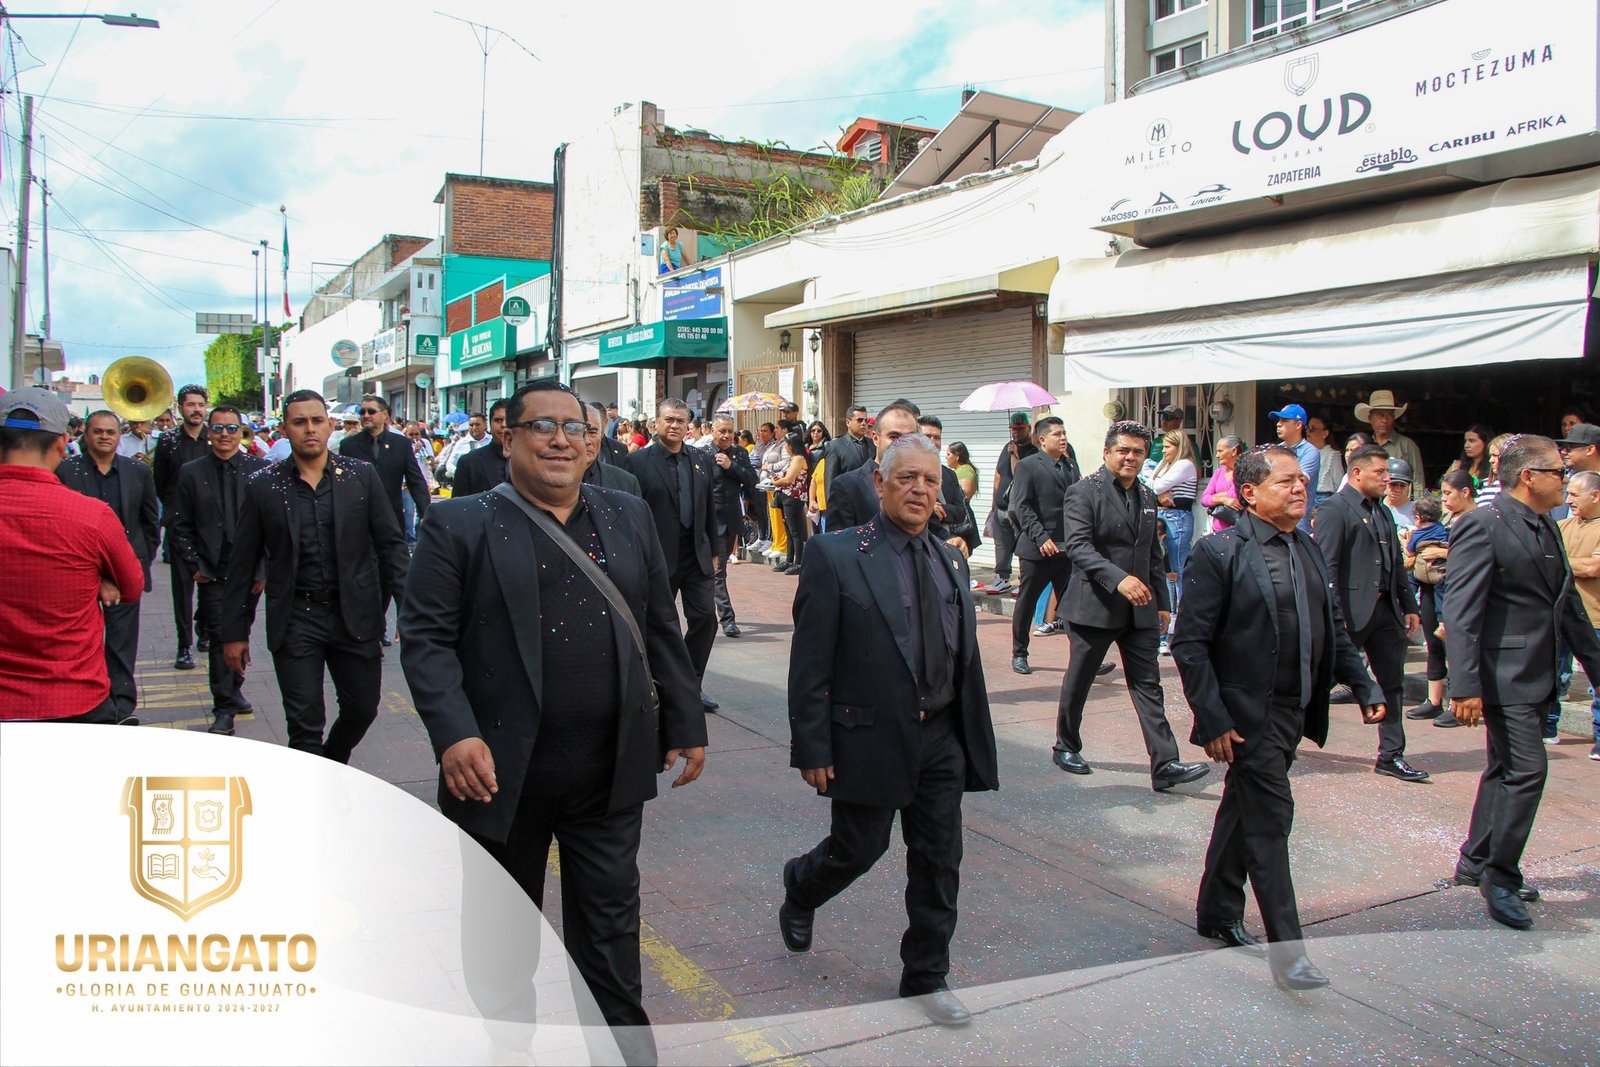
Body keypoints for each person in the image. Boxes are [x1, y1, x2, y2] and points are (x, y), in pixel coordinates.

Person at [399, 380, 704, 1066]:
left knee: (610, 933)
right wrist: (454, 732)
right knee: (502, 936)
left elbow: (660, 624)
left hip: (608, 771)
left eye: (576, 427)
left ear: (594, 443)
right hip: (498, 775)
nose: (562, 439)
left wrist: (686, 719)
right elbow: (425, 639)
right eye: (543, 426)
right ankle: (510, 1046)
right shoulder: (459, 523)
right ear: (508, 438)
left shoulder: (628, 513)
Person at [781, 433, 999, 1028]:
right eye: (907, 478)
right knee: (859, 849)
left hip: (941, 735)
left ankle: (926, 976)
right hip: (868, 735)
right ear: (880, 483)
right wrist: (813, 745)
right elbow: (810, 661)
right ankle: (802, 885)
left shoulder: (951, 559)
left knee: (939, 859)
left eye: (930, 480)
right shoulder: (835, 554)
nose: (920, 490)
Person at [1173, 444, 1387, 991]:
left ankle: (1217, 910)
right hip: (1247, 715)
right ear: (1248, 493)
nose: (1300, 488)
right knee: (1271, 819)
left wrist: (1362, 682)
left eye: (1302, 480)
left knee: (1243, 808)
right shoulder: (1219, 552)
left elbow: (1333, 626)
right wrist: (1212, 718)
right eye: (1286, 481)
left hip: (1295, 709)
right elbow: (1190, 644)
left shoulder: (1306, 546)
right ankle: (1288, 952)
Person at [1446, 435, 1600, 930]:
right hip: (1502, 675)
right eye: (1558, 472)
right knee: (1528, 771)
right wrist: (1464, 685)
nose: (1566, 479)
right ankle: (1501, 876)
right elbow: (1463, 611)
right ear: (1529, 477)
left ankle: (1476, 859)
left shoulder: (1547, 525)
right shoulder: (1482, 524)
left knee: (1505, 768)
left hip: (1537, 673)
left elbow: (1567, 606)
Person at [220, 390, 410, 763]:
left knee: (362, 709)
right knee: (304, 726)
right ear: (284, 429)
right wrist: (234, 632)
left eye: (317, 420)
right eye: (299, 422)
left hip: (355, 615)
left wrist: (408, 608)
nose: (309, 429)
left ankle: (330, 764)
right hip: (295, 619)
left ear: (329, 425)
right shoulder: (264, 485)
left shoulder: (360, 476)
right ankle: (313, 786)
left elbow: (392, 545)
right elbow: (242, 563)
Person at [1052, 421, 1210, 791]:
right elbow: (1078, 547)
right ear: (1107, 452)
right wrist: (1118, 579)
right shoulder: (1083, 492)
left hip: (1140, 609)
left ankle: (1165, 763)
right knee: (1080, 679)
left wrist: (1162, 601)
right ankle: (1066, 745)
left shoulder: (1147, 495)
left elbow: (1153, 553)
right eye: (1123, 450)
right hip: (1094, 605)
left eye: (1138, 452)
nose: (1131, 457)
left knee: (1148, 685)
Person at [0, 388, 144, 722]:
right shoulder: (91, 515)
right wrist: (97, 577)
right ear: (63, 443)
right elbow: (132, 587)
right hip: (72, 697)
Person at [1313, 444, 1428, 782]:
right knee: (1322, 679)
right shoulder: (1335, 509)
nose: (1386, 479)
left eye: (1388, 473)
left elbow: (1395, 563)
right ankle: (1281, 736)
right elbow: (1327, 568)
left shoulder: (1383, 512)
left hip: (1385, 611)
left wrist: (1409, 606)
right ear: (1357, 472)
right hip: (1349, 613)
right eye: (1380, 473)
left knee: (1392, 683)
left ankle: (1391, 754)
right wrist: (1334, 616)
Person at [168, 405, 269, 735]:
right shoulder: (191, 472)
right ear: (209, 432)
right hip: (212, 570)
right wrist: (195, 566)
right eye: (218, 428)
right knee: (220, 635)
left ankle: (234, 689)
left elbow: (273, 525)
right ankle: (223, 706)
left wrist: (263, 569)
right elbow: (179, 523)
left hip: (250, 571)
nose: (225, 434)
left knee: (241, 631)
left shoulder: (260, 470)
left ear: (241, 432)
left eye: (231, 428)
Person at [55, 408, 159, 726]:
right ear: (86, 435)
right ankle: (83, 703)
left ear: (118, 437)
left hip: (125, 571)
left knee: (122, 643)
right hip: (78, 573)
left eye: (110, 432)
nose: (104, 437)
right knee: (79, 643)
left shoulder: (137, 472)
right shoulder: (66, 471)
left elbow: (149, 523)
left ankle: (122, 707)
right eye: (97, 431)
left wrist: (138, 563)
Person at [624, 398, 721, 712]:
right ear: (657, 423)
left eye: (681, 420)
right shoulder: (637, 463)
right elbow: (629, 513)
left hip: (696, 554)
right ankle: (657, 685)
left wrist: (715, 551)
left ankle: (690, 684)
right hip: (657, 556)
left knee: (705, 619)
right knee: (659, 625)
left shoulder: (700, 459)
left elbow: (709, 508)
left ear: (688, 425)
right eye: (669, 420)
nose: (675, 425)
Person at [341, 394, 431, 643]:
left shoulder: (400, 444)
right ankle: (372, 627)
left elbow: (415, 480)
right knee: (366, 576)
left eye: (371, 411)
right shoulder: (349, 446)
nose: (365, 416)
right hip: (359, 524)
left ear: (385, 415)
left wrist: (427, 512)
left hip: (392, 522)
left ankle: (400, 625)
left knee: (394, 575)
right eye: (362, 412)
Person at [1008, 416, 1078, 675]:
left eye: (1064, 433)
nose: (1063, 438)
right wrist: (1041, 537)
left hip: (1066, 549)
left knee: (1073, 604)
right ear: (1042, 439)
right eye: (1057, 434)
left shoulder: (1070, 466)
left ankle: (1086, 658)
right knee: (1027, 602)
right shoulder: (1028, 466)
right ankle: (1020, 653)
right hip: (1037, 550)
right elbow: (1022, 506)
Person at [153, 383, 213, 671]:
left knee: (210, 585)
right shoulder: (168, 442)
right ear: (180, 408)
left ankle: (205, 629)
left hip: (210, 524)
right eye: (191, 405)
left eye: (201, 405)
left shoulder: (214, 437)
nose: (197, 410)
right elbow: (161, 483)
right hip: (181, 526)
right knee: (182, 589)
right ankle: (183, 645)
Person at [1556, 470, 1600, 761]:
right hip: (1560, 615)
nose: (1568, 499)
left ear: (1595, 495)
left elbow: (1594, 569)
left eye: (1574, 494)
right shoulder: (1560, 526)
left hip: (1595, 618)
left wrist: (1558, 561)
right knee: (1552, 676)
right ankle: (1547, 727)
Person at [825, 402, 921, 531]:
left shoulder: (922, 484)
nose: (902, 444)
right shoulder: (845, 487)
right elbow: (839, 540)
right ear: (876, 439)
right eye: (894, 437)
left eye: (909, 438)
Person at [1403, 488, 1455, 726]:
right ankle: (1433, 701)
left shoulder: (1469, 519)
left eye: (1449, 493)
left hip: (1449, 590)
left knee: (1453, 649)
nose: (1444, 498)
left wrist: (1442, 552)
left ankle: (1456, 703)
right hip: (1428, 590)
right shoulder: (1443, 523)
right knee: (1434, 646)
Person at [1146, 428, 1199, 653]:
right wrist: (1159, 492)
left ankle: (1182, 625)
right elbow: (1150, 484)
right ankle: (1167, 626)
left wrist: (1158, 490)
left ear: (1179, 447)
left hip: (1177, 519)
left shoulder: (1184, 464)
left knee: (1178, 571)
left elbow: (1155, 486)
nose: (1164, 451)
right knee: (1166, 571)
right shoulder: (1167, 464)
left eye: (1168, 447)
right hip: (1164, 516)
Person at [707, 414, 756, 636]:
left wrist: (731, 466)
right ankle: (727, 619)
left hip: (732, 520)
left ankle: (708, 607)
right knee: (718, 571)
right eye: (722, 431)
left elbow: (752, 480)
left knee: (718, 570)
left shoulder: (740, 453)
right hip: (710, 521)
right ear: (712, 431)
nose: (727, 436)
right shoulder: (702, 454)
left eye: (730, 431)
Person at [988, 412, 1038, 594]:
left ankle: (1023, 579)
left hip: (1019, 508)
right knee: (1001, 544)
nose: (1016, 433)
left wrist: (1015, 455)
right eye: (1013, 429)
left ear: (1028, 428)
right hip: (1001, 507)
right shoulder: (1006, 447)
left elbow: (1020, 474)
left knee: (1022, 544)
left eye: (1020, 429)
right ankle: (1002, 577)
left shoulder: (1033, 451)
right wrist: (993, 502)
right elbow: (998, 474)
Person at [916, 415, 979, 559]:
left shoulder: (949, 474)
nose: (933, 441)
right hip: (922, 548)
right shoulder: (906, 472)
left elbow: (961, 511)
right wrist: (930, 507)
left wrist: (942, 509)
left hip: (951, 547)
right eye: (927, 436)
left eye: (937, 437)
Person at [1355, 390, 1423, 500]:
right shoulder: (1365, 446)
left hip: (1399, 503)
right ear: (1370, 418)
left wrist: (1417, 505)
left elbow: (1418, 481)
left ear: (1394, 418)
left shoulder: (1407, 445)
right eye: (1379, 415)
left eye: (1389, 415)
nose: (1384, 420)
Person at [1269, 403, 1319, 533]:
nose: (1278, 424)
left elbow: (1299, 481)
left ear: (1298, 425)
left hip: (1298, 520)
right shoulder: (1275, 450)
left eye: (1284, 420)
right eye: (1278, 420)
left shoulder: (1310, 451)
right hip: (1275, 516)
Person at [822, 405, 874, 527]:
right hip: (846, 507)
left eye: (866, 420)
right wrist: (833, 511)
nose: (864, 424)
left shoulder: (873, 444)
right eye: (859, 420)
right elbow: (830, 482)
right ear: (848, 422)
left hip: (871, 508)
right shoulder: (835, 446)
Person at [450, 399, 511, 498]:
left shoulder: (532, 461)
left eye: (509, 420)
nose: (504, 425)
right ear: (490, 424)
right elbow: (458, 505)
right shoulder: (468, 463)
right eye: (498, 420)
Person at [580, 402, 643, 496]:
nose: (587, 440)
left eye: (592, 432)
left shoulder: (628, 483)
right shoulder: (558, 478)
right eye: (580, 431)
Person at [771, 432, 811, 576]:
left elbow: (788, 479)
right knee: (789, 530)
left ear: (791, 445)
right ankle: (789, 560)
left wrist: (775, 482)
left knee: (795, 531)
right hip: (785, 496)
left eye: (786, 444)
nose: (785, 447)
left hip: (793, 497)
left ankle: (798, 562)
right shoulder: (793, 458)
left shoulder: (799, 458)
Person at [1201, 435, 1245, 532]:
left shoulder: (1244, 471)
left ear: (1234, 451)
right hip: (1217, 530)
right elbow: (1204, 499)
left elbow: (1238, 496)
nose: (1217, 455)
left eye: (1220, 451)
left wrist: (1215, 497)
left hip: (1239, 530)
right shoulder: (1218, 472)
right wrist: (1223, 499)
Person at [1306, 415, 1343, 508]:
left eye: (1312, 428)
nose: (1308, 431)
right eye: (1307, 427)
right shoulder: (1304, 453)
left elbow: (1339, 483)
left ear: (1325, 433)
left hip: (1323, 499)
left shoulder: (1332, 455)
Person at [1447, 424, 1495, 489]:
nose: (1466, 445)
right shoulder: (1457, 465)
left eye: (1472, 441)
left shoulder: (1493, 467)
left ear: (1485, 442)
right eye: (1465, 441)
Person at [1384, 459, 1417, 531]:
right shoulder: (1375, 506)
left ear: (1409, 486)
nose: (1397, 489)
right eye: (1393, 484)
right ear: (1386, 483)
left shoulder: (1418, 510)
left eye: (1402, 485)